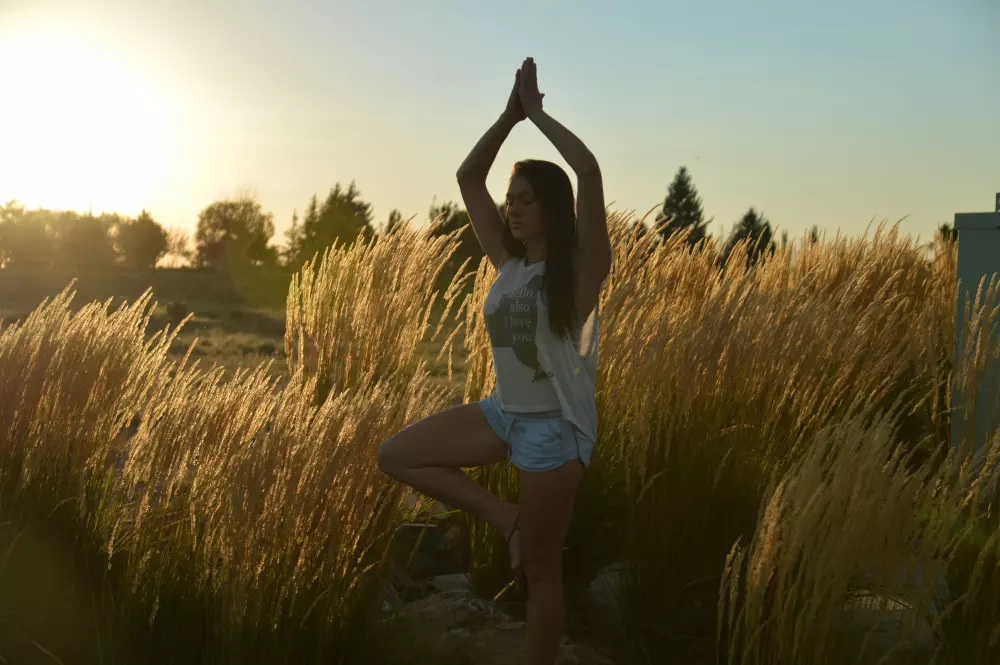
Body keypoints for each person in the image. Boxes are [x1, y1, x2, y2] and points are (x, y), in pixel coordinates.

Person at [378, 56, 611, 665]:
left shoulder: (581, 271)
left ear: (552, 208)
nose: (512, 208)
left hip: (555, 430)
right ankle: (500, 514)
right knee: (396, 454)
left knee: (540, 571)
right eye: (511, 199)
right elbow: (467, 176)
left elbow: (586, 168)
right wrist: (508, 117)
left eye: (526, 199)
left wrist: (538, 114)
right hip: (504, 412)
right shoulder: (507, 265)